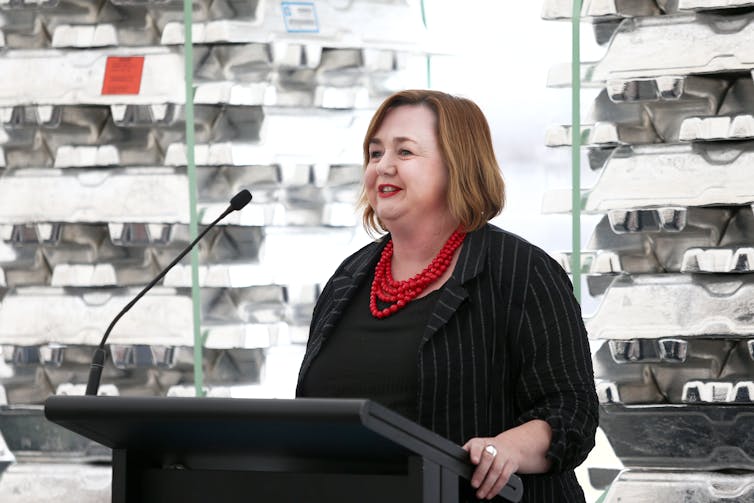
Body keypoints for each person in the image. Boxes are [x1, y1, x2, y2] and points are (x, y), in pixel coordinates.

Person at [296, 89, 598, 502]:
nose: (383, 166)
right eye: (374, 152)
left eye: (404, 152)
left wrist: (507, 448)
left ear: (457, 165)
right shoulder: (347, 279)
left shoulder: (521, 271)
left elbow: (572, 413)